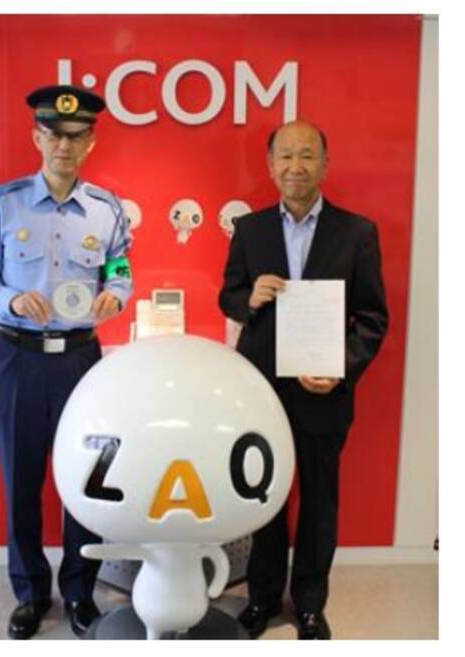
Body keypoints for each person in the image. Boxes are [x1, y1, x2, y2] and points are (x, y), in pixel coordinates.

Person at [0, 85, 133, 639]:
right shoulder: (3, 203)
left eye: (76, 136)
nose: (64, 146)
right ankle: (31, 593)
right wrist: (9, 300)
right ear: (37, 137)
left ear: (91, 142)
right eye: (54, 134)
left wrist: (116, 296)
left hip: (80, 360)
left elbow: (120, 268)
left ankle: (79, 591)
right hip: (18, 357)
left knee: (84, 479)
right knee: (21, 479)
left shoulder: (106, 210)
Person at [219, 120, 388, 640]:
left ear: (324, 164)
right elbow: (228, 296)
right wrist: (248, 299)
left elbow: (373, 318)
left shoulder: (357, 232)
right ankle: (263, 597)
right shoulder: (250, 230)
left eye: (307, 155)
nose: (296, 166)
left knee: (319, 501)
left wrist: (340, 368)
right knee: (265, 498)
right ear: (271, 166)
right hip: (262, 393)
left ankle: (311, 603)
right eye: (286, 156)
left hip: (324, 391)